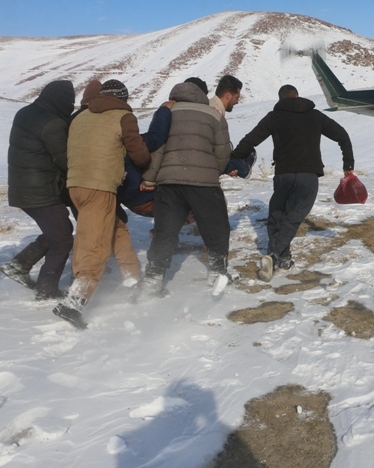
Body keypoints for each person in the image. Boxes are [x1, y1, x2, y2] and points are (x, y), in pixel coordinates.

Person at [229, 84, 354, 280]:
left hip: (283, 175)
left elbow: (250, 140)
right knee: (294, 216)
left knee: (277, 215)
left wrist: (233, 159)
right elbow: (343, 136)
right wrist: (348, 163)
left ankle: (280, 257)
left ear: (280, 100)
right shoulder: (315, 116)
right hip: (308, 175)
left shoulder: (275, 117)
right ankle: (276, 255)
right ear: (297, 96)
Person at [53, 79, 151, 329]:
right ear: (123, 98)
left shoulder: (80, 117)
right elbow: (139, 155)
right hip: (100, 186)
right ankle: (74, 301)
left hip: (75, 186)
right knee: (95, 244)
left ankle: (132, 280)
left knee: (116, 230)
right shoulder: (123, 117)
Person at [140, 81, 232, 296]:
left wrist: (150, 179)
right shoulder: (214, 115)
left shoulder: (167, 112)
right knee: (216, 227)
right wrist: (212, 171)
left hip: (169, 182)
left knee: (165, 231)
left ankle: (153, 277)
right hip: (204, 182)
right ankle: (218, 272)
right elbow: (222, 152)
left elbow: (158, 149)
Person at [1, 81, 75, 300]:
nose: (70, 106)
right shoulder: (53, 123)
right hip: (41, 191)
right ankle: (46, 290)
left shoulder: (25, 112)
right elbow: (64, 160)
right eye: (69, 101)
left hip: (22, 188)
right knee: (62, 241)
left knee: (58, 232)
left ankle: (19, 265)